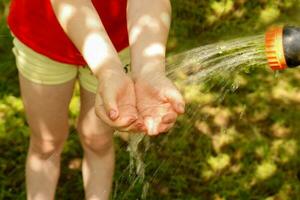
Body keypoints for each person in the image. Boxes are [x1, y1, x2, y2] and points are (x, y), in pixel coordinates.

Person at [7, 0, 185, 199]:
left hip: (118, 40)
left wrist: (148, 70)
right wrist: (108, 70)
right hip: (42, 38)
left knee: (98, 141)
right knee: (46, 142)